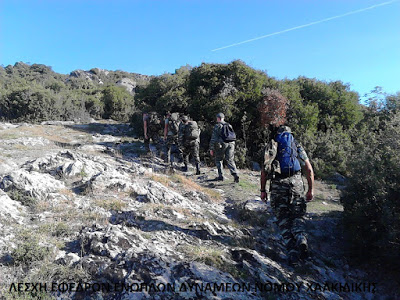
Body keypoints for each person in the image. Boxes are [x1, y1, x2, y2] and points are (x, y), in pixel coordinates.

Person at [260, 124, 314, 266]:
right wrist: (310, 189)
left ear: (277, 134)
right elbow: (308, 168)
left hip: (278, 185)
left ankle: (292, 253)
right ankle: (301, 238)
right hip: (296, 183)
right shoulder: (296, 145)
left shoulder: (273, 146)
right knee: (297, 216)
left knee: (283, 219)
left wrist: (263, 190)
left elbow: (264, 171)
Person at [209, 113, 239, 182]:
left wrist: (211, 148)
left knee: (218, 159)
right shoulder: (229, 125)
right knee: (230, 159)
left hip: (222, 144)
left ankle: (220, 176)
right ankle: (235, 174)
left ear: (218, 118)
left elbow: (214, 138)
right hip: (231, 143)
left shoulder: (218, 126)